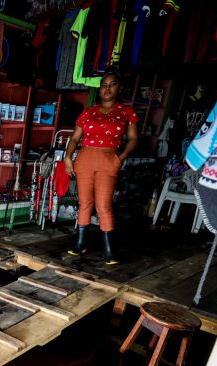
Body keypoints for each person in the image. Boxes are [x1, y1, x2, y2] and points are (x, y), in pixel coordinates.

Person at [64, 70, 139, 264]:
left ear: (119, 87)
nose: (107, 88)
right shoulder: (88, 112)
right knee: (84, 204)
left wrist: (120, 158)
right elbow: (74, 138)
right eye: (104, 85)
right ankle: (81, 243)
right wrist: (67, 157)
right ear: (99, 90)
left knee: (103, 206)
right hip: (85, 157)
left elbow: (133, 139)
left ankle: (109, 249)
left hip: (109, 158)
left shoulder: (126, 112)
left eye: (112, 84)